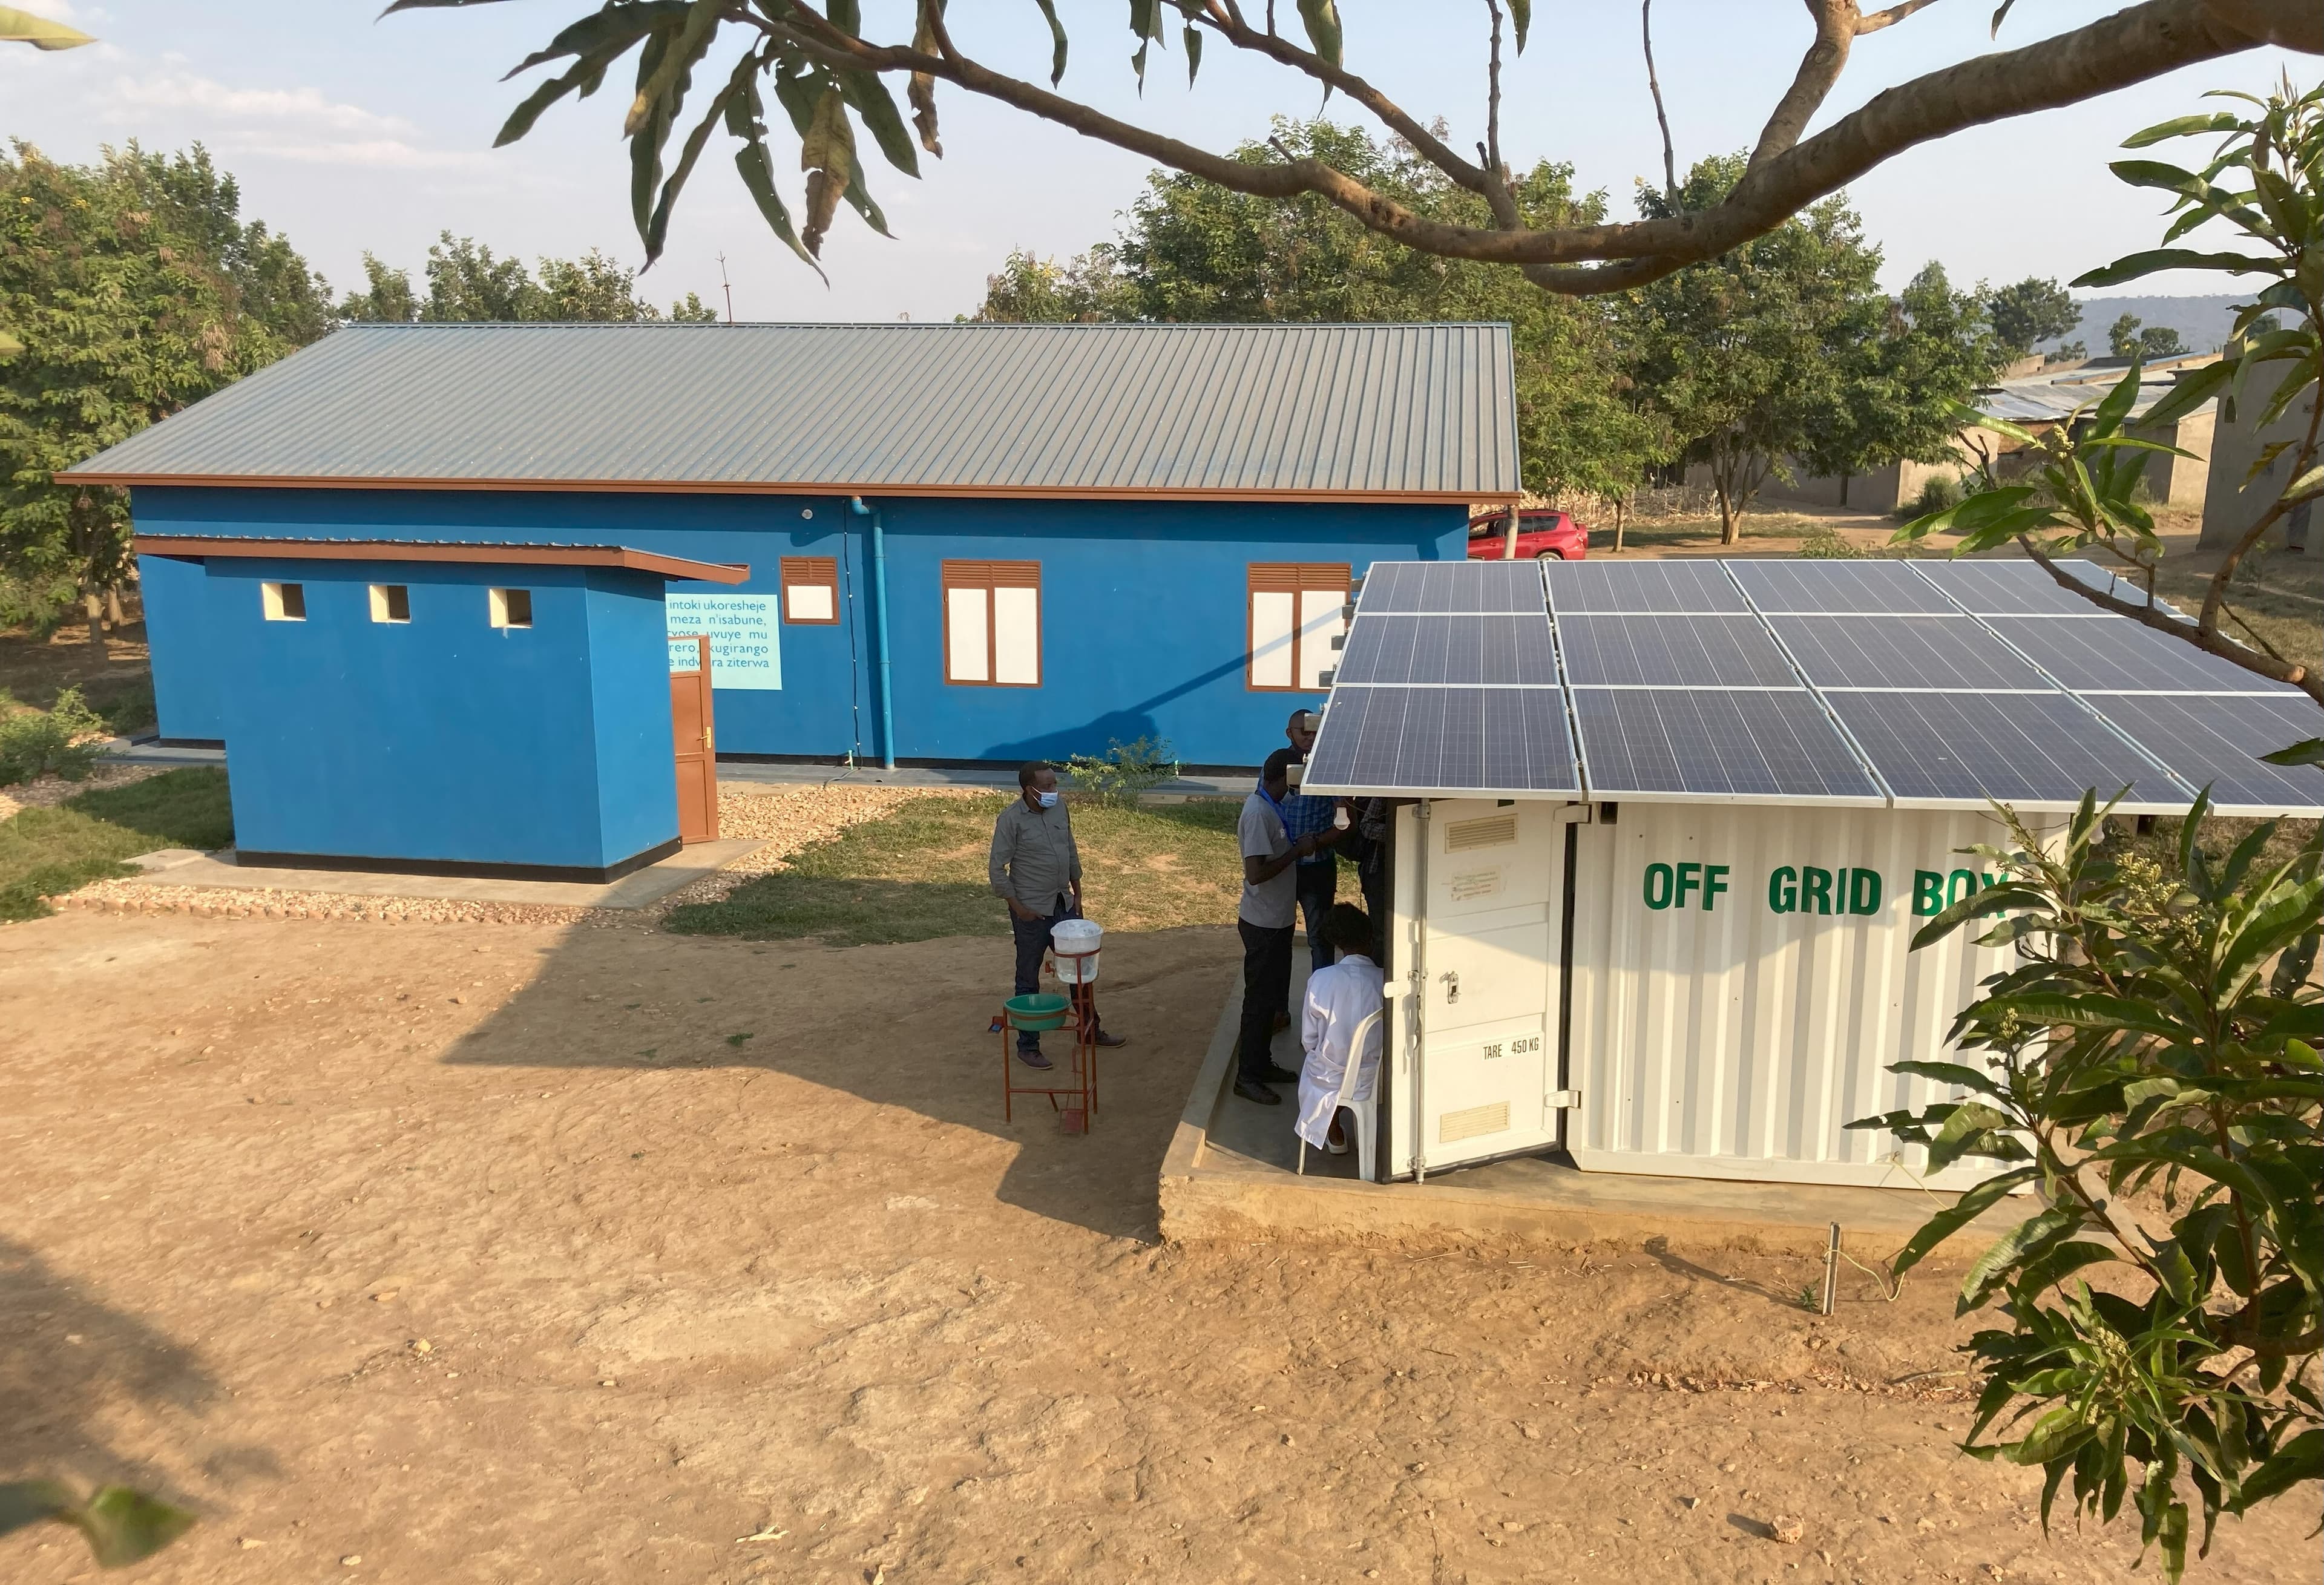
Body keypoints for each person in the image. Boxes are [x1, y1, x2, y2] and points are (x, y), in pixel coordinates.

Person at [990, 762, 1126, 1069]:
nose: (1054, 790)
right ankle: (1028, 1046)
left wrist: (1078, 893)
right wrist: (1020, 909)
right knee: (1028, 977)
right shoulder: (1011, 820)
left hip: (1064, 905)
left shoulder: (1059, 808)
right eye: (1047, 786)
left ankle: (1089, 1030)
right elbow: (997, 870)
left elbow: (1070, 849)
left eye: (1055, 784)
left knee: (1080, 972)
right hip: (1032, 912)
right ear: (1029, 789)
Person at [1234, 747, 1336, 1105]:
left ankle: (1262, 1065)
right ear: (1286, 776)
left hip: (1277, 921)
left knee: (1270, 1001)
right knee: (1258, 1002)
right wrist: (1298, 850)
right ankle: (1246, 1077)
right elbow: (1256, 873)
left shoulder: (1272, 807)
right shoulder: (1259, 812)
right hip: (1262, 924)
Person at [1295, 904, 1385, 1157]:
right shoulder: (1384, 980)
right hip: (1374, 1077)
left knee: (1314, 1063)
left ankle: (1332, 1126)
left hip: (1330, 1074)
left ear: (1337, 944)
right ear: (1371, 939)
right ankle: (1349, 1120)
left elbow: (1309, 1040)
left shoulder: (1321, 979)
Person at [1279, 709, 1345, 983]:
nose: (1309, 737)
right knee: (1279, 934)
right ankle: (1279, 1007)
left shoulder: (1329, 766)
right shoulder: (1277, 764)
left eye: (1313, 731)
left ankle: (1321, 999)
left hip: (1318, 867)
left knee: (1319, 936)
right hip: (1282, 867)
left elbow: (1344, 822)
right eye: (1302, 731)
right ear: (1289, 733)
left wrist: (1316, 842)